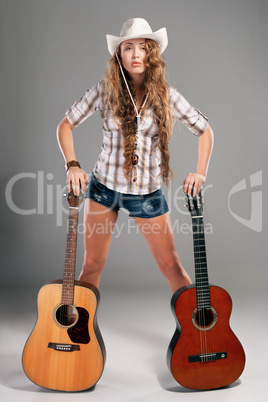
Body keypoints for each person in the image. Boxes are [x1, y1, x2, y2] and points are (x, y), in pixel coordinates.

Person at [57, 18, 213, 294]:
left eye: (142, 47)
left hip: (147, 193)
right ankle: (81, 332)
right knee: (91, 265)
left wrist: (200, 172)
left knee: (171, 264)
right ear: (120, 54)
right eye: (128, 47)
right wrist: (72, 165)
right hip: (104, 187)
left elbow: (205, 131)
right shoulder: (105, 91)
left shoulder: (167, 96)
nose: (136, 54)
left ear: (151, 53)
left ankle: (196, 332)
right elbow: (65, 125)